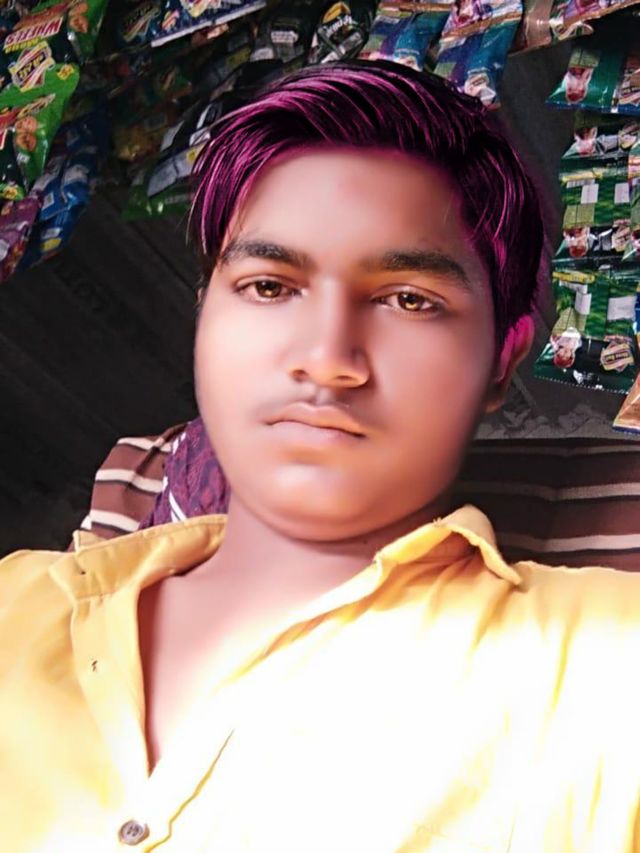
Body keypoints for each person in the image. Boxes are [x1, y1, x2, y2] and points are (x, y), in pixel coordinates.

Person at [1, 58, 639, 853]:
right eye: (270, 286)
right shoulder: (15, 600)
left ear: (501, 361)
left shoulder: (606, 668)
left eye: (410, 300)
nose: (327, 357)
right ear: (206, 317)